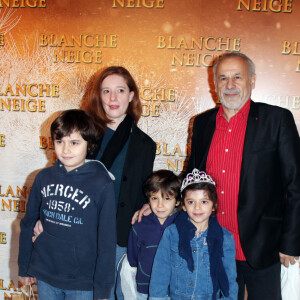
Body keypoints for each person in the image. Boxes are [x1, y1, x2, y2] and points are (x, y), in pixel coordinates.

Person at [33, 66, 156, 299]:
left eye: (120, 90)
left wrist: (148, 203)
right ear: (98, 96)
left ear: (131, 95)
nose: (113, 98)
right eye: (106, 91)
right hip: (74, 233)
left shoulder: (145, 145)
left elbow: (142, 191)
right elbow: (58, 180)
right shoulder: (81, 133)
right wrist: (43, 216)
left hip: (116, 238)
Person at [187, 52, 300, 300]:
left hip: (265, 245)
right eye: (223, 78)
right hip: (213, 243)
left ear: (252, 80)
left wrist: (291, 241)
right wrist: (157, 202)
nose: (230, 85)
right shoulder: (203, 123)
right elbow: (191, 177)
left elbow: (295, 184)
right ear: (214, 84)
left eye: (237, 77)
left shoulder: (277, 120)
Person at [18, 109, 116, 300]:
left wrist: (103, 289)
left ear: (90, 144)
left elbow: (107, 241)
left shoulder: (102, 184)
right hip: (46, 274)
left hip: (82, 282)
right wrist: (24, 266)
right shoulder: (43, 178)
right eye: (59, 141)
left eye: (74, 142)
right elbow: (28, 223)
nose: (65, 149)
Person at [149, 169, 238, 300]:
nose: (197, 207)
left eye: (204, 201)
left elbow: (229, 279)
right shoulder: (172, 233)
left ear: (214, 205)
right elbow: (160, 272)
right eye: (191, 202)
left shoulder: (225, 238)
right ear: (183, 205)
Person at [127, 169, 181, 299]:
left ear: (177, 201)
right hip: (144, 288)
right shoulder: (140, 224)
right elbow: (133, 257)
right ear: (148, 200)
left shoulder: (182, 225)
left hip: (174, 289)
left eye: (167, 198)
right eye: (155, 198)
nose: (160, 205)